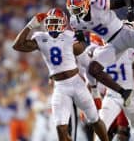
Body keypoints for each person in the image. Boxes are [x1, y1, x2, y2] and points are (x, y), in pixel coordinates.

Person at [12, 8, 109, 141]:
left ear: (63, 23)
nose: (52, 26)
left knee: (94, 119)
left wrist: (94, 88)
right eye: (50, 22)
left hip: (76, 83)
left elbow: (86, 63)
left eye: (55, 22)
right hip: (60, 87)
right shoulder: (41, 37)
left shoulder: (70, 36)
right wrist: (31, 25)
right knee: (60, 129)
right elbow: (17, 45)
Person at [86, 32, 134, 141]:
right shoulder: (98, 52)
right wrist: (94, 95)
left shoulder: (129, 50)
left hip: (130, 96)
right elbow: (90, 75)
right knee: (101, 126)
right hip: (111, 96)